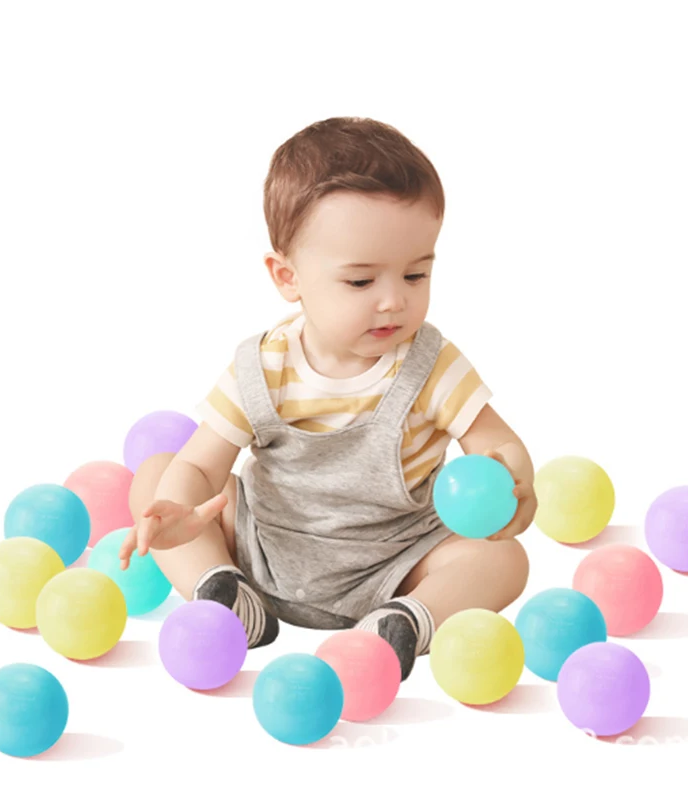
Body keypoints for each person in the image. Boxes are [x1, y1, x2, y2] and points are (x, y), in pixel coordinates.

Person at [119, 116, 535, 681]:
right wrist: (182, 511)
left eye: (415, 275)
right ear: (287, 277)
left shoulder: (431, 365)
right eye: (361, 282)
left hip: (396, 561)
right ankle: (223, 590)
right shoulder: (260, 367)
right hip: (263, 547)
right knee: (156, 478)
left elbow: (496, 441)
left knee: (503, 560)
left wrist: (512, 478)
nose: (393, 301)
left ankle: (404, 621)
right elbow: (199, 465)